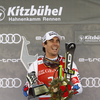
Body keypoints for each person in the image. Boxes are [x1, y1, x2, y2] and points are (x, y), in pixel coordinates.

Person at [23, 31, 83, 100]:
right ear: (44, 44)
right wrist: (29, 87)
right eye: (51, 41)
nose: (55, 44)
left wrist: (69, 90)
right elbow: (26, 91)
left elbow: (79, 87)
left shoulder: (68, 63)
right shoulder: (35, 65)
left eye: (57, 41)